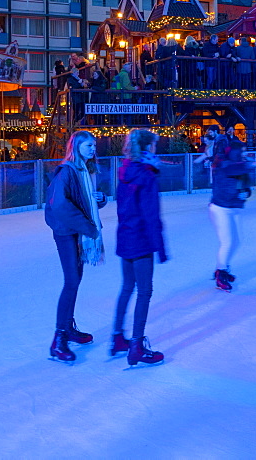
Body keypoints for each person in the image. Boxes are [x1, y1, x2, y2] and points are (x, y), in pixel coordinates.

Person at [43, 130, 107, 363]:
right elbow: (59, 205)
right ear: (76, 147)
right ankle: (58, 340)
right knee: (71, 281)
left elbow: (83, 201)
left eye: (94, 145)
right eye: (88, 145)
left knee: (75, 280)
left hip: (75, 231)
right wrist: (87, 227)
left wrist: (100, 200)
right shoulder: (67, 171)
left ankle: (67, 328)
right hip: (66, 232)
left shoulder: (85, 171)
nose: (92, 149)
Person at [113, 129, 168, 367]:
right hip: (141, 239)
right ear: (148, 148)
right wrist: (161, 247)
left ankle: (117, 337)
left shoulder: (125, 170)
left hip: (125, 235)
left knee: (127, 286)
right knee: (145, 291)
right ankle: (136, 346)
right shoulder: (146, 174)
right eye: (154, 145)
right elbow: (151, 214)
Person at [209, 136, 256, 291]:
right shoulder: (222, 164)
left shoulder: (241, 164)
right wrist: (255, 164)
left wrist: (245, 193)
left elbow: (246, 187)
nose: (243, 153)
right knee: (227, 242)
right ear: (233, 151)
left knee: (237, 241)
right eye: (241, 150)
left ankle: (222, 268)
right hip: (221, 208)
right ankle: (220, 273)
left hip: (234, 208)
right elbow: (232, 169)